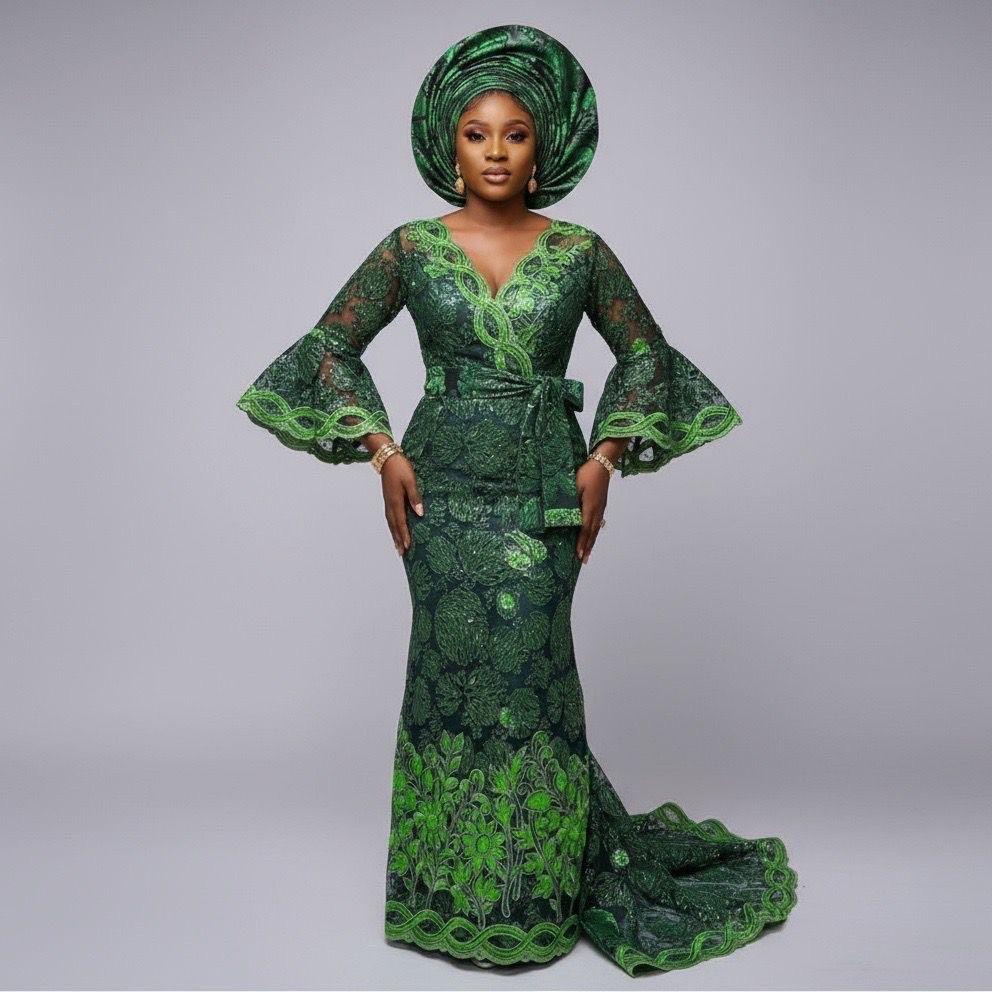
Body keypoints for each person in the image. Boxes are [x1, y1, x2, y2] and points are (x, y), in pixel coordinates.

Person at [235, 22, 797, 977]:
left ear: (544, 152)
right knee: (447, 679)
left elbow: (647, 354)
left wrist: (605, 457)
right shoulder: (409, 248)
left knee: (534, 683)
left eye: (515, 134)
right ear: (448, 148)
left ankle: (532, 897)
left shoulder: (580, 251)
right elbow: (327, 349)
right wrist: (381, 449)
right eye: (476, 134)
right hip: (441, 495)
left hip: (543, 492)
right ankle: (445, 893)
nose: (495, 151)